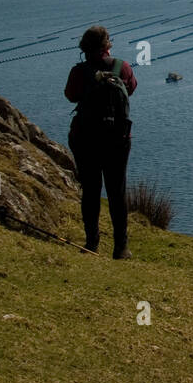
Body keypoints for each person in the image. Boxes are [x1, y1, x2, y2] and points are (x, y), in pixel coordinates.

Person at [64, 26, 137, 259]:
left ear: (83, 47)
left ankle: (92, 241)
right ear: (108, 45)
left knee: (91, 190)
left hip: (85, 138)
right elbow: (132, 88)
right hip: (117, 138)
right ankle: (120, 247)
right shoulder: (121, 67)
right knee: (117, 191)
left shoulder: (79, 71)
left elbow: (70, 95)